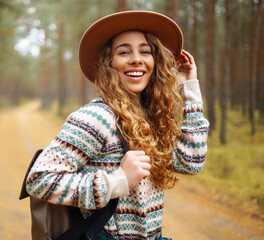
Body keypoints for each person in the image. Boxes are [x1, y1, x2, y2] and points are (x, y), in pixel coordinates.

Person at [26, 10, 209, 240]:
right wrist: (116, 181)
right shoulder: (97, 117)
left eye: (145, 51)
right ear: (108, 63)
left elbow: (190, 162)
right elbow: (39, 179)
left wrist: (189, 87)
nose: (136, 58)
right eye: (124, 52)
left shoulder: (148, 118)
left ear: (156, 61)